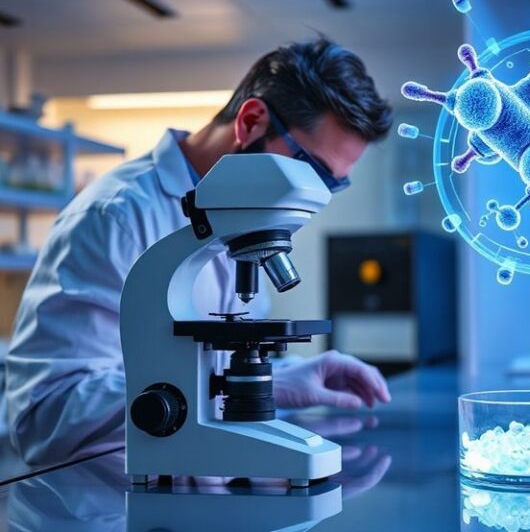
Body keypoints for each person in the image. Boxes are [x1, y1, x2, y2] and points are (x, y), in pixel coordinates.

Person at [6, 38, 394, 464]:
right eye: (315, 171)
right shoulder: (114, 216)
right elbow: (43, 418)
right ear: (252, 122)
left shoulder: (243, 217)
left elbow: (219, 364)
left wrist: (285, 375)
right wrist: (239, 388)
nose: (318, 194)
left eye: (333, 184)